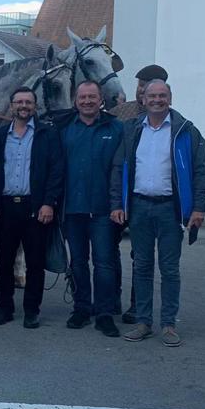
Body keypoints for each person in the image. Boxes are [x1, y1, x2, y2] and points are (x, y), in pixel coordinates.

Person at [111, 80, 205, 347]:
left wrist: (199, 207)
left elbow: (201, 172)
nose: (156, 100)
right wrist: (117, 204)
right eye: (151, 95)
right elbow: (119, 169)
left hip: (170, 209)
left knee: (169, 269)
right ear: (143, 99)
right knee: (141, 266)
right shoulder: (132, 130)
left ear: (170, 98)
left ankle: (168, 324)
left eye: (162, 95)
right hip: (139, 207)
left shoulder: (186, 132)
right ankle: (144, 322)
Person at [0, 87, 64, 329]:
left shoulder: (47, 134)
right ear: (12, 106)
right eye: (19, 102)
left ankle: (32, 310)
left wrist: (48, 203)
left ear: (35, 106)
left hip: (35, 208)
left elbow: (56, 170)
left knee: (35, 262)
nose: (24, 106)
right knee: (4, 261)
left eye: (28, 102)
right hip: (7, 207)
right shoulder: (0, 135)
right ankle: (4, 308)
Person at [59, 80, 123, 338]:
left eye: (92, 97)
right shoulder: (64, 129)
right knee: (78, 263)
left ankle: (105, 313)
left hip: (103, 210)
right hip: (72, 210)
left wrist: (118, 205)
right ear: (75, 101)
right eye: (82, 97)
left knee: (105, 263)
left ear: (101, 100)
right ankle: (81, 308)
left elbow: (121, 170)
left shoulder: (116, 128)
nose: (87, 101)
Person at [108, 64, 168, 324]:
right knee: (108, 250)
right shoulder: (121, 111)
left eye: (148, 84)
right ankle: (111, 299)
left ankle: (135, 306)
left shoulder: (168, 119)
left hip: (142, 198)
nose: (143, 89)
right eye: (141, 84)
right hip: (116, 194)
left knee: (140, 256)